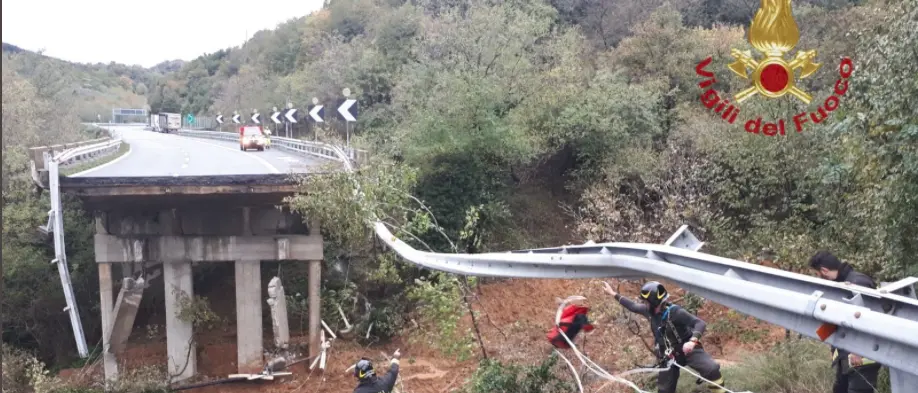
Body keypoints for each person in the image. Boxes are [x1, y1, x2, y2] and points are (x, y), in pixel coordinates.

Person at [603, 281, 727, 393]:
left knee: (712, 369)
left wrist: (692, 341)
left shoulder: (676, 312)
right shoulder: (648, 311)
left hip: (688, 349)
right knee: (664, 390)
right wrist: (613, 294)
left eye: (646, 302)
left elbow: (699, 323)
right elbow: (633, 306)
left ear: (654, 302)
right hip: (669, 355)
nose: (644, 304)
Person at [808, 251, 881, 393]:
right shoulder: (840, 284)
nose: (819, 278)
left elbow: (869, 320)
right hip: (845, 357)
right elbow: (839, 319)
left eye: (818, 274)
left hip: (861, 357)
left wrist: (857, 349)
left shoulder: (858, 283)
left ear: (824, 270)